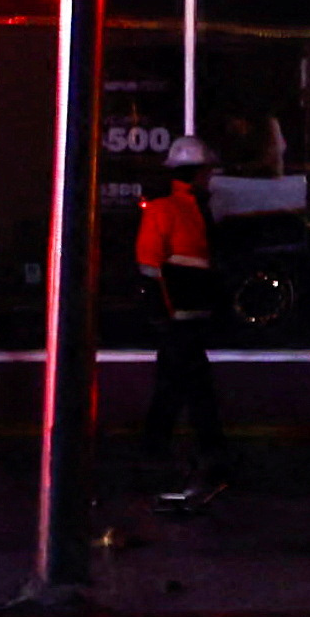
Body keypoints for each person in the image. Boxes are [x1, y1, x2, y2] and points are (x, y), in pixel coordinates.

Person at [136, 136, 229, 507]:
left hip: (190, 317)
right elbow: (149, 264)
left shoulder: (197, 208)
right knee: (192, 388)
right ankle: (205, 449)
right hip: (178, 319)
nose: (210, 177)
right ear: (195, 172)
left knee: (175, 387)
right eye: (207, 171)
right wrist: (163, 313)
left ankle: (158, 449)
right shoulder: (165, 210)